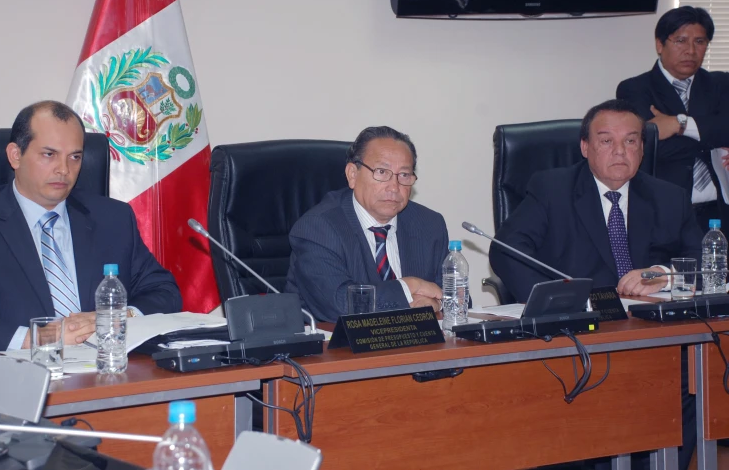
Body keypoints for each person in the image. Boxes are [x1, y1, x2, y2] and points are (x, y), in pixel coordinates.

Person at [489, 99, 701, 470]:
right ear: (585, 147)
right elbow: (506, 251)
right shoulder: (551, 188)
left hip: (651, 337)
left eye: (631, 141)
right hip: (580, 334)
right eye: (606, 141)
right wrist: (556, 304)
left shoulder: (670, 197)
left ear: (642, 148)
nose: (620, 151)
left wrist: (661, 274)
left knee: (690, 379)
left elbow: (702, 260)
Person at [0, 101, 182, 355]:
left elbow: (164, 292)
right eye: (49, 154)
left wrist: (118, 316)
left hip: (108, 373)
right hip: (18, 375)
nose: (64, 169)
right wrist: (33, 338)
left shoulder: (112, 218)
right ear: (15, 155)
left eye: (75, 157)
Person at [285, 126, 449, 323]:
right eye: (381, 172)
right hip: (336, 350)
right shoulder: (317, 228)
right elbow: (340, 305)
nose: (394, 187)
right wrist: (409, 287)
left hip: (415, 348)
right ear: (352, 175)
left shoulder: (429, 224)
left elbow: (457, 297)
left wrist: (436, 304)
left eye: (404, 175)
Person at [617, 6, 729, 232]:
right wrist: (711, 137)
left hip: (719, 213)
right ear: (660, 44)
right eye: (680, 41)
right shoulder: (635, 89)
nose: (690, 50)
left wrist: (679, 124)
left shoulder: (721, 84)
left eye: (700, 41)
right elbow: (651, 148)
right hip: (663, 211)